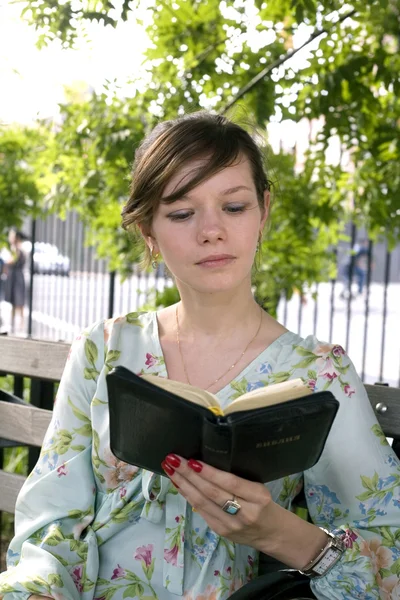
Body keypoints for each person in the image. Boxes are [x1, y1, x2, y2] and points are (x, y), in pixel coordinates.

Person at [0, 112, 399, 600]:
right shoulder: (104, 351)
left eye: (233, 206)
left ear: (263, 212)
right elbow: (49, 527)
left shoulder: (318, 375)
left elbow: (388, 551)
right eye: (182, 213)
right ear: (148, 229)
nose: (211, 230)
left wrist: (281, 535)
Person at [3, 230, 27, 333]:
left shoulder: (18, 248)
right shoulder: (15, 248)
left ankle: (21, 323)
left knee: (19, 300)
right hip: (13, 276)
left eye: (11, 236)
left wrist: (5, 262)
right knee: (14, 299)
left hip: (17, 276)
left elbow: (12, 260)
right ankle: (14, 323)